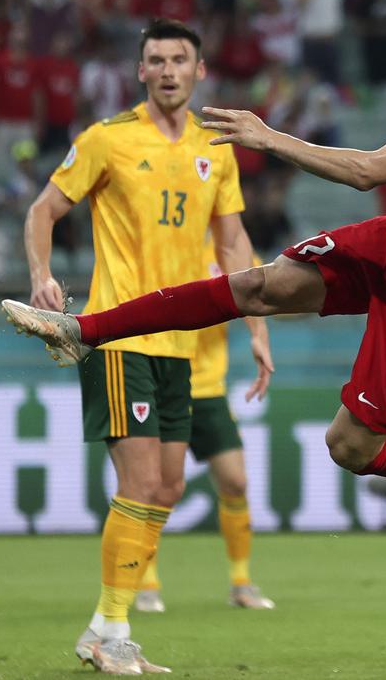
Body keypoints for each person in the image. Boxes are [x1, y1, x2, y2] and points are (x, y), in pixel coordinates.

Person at [4, 0, 386, 524]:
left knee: (349, 447)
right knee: (261, 286)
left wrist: (267, 137)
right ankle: (83, 331)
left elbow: (365, 172)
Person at [11, 18, 271, 675]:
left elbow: (233, 243)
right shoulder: (107, 140)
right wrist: (41, 275)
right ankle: (115, 631)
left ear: (199, 70)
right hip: (119, 334)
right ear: (139, 71)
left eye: (179, 58)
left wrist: (257, 324)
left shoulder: (217, 146)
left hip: (181, 345)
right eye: (155, 59)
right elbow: (43, 209)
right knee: (141, 480)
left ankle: (102, 627)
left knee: (170, 485)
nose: (167, 69)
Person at [135, 242, 274, 614]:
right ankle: (145, 582)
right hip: (165, 382)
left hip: (209, 389)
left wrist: (262, 335)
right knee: (161, 489)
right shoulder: (167, 243)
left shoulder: (231, 250)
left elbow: (265, 290)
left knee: (236, 483)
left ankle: (241, 582)